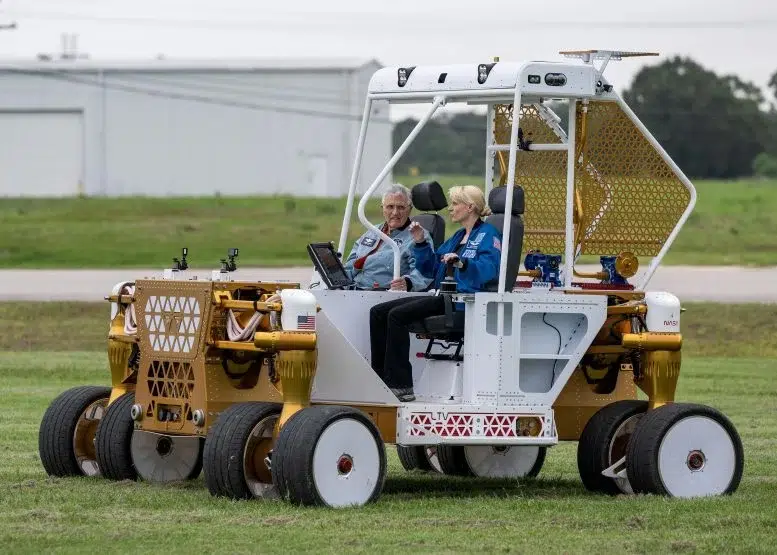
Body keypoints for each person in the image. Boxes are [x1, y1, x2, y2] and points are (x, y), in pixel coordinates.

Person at [369, 185, 502, 401]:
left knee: (396, 316)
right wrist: (420, 242)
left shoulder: (488, 234)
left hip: (462, 301)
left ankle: (401, 385)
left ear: (469, 207)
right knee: (378, 312)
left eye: (455, 204)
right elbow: (431, 268)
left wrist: (462, 263)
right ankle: (379, 378)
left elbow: (489, 269)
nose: (451, 208)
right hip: (442, 295)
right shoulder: (458, 236)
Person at [343, 184, 432, 291]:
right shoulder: (372, 231)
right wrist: (338, 278)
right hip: (352, 290)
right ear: (383, 208)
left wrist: (408, 283)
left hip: (383, 294)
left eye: (401, 207)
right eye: (390, 207)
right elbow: (350, 265)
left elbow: (425, 272)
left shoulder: (419, 236)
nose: (395, 212)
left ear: (409, 210)